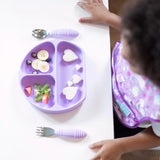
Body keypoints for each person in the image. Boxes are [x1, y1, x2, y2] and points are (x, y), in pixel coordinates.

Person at [77, 0, 160, 160]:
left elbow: (157, 136)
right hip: (112, 83)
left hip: (126, 117)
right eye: (126, 37)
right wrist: (109, 17)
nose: (122, 54)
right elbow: (142, 31)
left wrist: (121, 145)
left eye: (132, 61)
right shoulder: (145, 35)